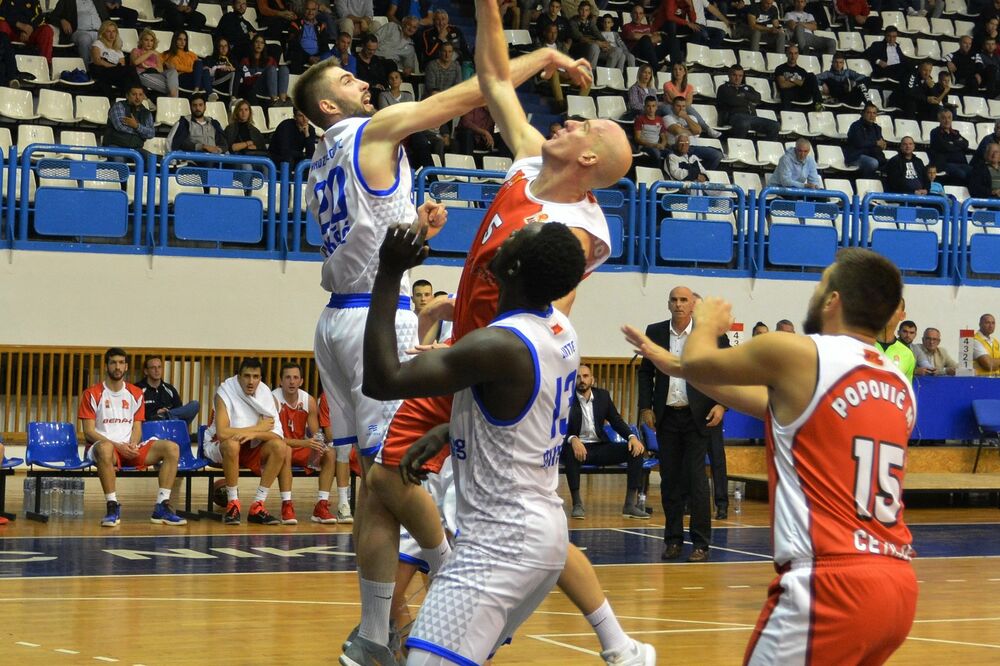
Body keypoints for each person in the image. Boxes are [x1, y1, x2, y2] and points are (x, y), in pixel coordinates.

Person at [293, 27, 597, 665]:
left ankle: (374, 633)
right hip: (379, 314)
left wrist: (415, 225)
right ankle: (450, 568)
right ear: (328, 106)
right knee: (389, 478)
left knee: (373, 487)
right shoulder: (368, 131)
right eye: (348, 81)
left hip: (335, 321)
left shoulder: (321, 155)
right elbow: (466, 96)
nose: (362, 82)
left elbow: (362, 224)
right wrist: (542, 57)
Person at [624, 247, 917, 665]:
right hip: (896, 581)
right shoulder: (896, 380)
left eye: (820, 286)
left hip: (830, 581)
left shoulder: (800, 352)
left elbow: (702, 361)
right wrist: (667, 362)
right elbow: (772, 404)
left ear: (833, 300)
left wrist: (706, 324)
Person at [363, 220, 589, 666]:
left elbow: (382, 378)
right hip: (540, 533)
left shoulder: (497, 345)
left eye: (520, 236)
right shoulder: (559, 329)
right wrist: (451, 430)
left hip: (500, 544)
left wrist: (389, 272)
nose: (508, 235)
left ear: (515, 268)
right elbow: (522, 414)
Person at [636, 286, 730, 563]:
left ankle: (701, 543)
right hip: (666, 417)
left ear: (692, 306)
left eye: (683, 300)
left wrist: (721, 404)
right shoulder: (655, 331)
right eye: (674, 300)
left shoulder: (709, 333)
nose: (678, 305)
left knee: (697, 480)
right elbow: (645, 372)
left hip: (697, 416)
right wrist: (645, 407)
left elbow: (727, 370)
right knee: (670, 482)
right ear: (668, 305)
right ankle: (673, 540)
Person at [78, 347, 186, 527]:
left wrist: (133, 445)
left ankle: (162, 506)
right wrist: (118, 447)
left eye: (121, 363)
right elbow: (89, 432)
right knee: (105, 448)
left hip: (129, 447)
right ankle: (112, 506)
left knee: (171, 448)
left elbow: (137, 426)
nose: (117, 367)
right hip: (104, 449)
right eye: (113, 363)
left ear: (126, 367)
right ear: (107, 366)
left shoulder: (136, 393)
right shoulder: (92, 394)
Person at [202, 357, 291, 525]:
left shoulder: (265, 393)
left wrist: (254, 435)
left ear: (260, 378)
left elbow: (277, 434)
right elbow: (222, 433)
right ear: (238, 376)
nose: (251, 381)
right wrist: (257, 429)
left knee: (280, 447)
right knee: (232, 444)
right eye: (247, 376)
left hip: (251, 445)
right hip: (220, 446)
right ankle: (233, 504)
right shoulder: (225, 391)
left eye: (256, 376)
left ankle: (258, 505)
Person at [562, 364, 648, 519]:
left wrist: (632, 437)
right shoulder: (566, 399)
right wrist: (572, 439)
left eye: (586, 376)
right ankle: (577, 504)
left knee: (635, 451)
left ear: (592, 380)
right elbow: (558, 426)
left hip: (600, 446)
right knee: (570, 453)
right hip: (576, 448)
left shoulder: (602, 396)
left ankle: (629, 505)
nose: (582, 380)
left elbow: (616, 421)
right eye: (579, 377)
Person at [272, 362, 339, 524]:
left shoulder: (308, 400)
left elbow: (316, 433)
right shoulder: (272, 399)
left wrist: (319, 444)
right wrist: (305, 443)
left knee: (330, 453)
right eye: (287, 378)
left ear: (301, 381)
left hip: (301, 447)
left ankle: (321, 506)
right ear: (281, 381)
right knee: (285, 450)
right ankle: (286, 505)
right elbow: (274, 438)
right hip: (278, 449)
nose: (292, 381)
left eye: (295, 378)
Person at [317, 389, 354, 522]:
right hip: (340, 446)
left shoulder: (357, 394)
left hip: (357, 448)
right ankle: (344, 505)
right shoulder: (327, 397)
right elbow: (329, 434)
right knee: (342, 447)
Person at [717, 65, 780, 140]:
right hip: (733, 116)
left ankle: (763, 148)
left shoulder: (747, 87)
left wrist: (743, 95)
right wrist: (748, 99)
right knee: (744, 124)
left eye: (740, 76)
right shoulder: (723, 88)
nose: (737, 78)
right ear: (729, 75)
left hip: (751, 117)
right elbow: (733, 101)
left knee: (775, 125)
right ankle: (739, 147)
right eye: (734, 75)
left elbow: (758, 98)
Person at [136, 355, 200, 427]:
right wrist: (156, 413)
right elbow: (133, 413)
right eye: (153, 367)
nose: (157, 370)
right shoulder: (137, 389)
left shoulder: (170, 389)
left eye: (159, 367)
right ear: (146, 371)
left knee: (195, 404)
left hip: (170, 422)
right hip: (150, 424)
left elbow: (179, 410)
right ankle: (165, 417)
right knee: (169, 418)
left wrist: (167, 413)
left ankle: (167, 416)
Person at [662, 96, 723, 169]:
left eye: (683, 106)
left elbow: (698, 131)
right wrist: (692, 131)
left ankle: (701, 174)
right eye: (678, 106)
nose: (681, 108)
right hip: (677, 147)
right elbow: (678, 131)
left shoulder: (691, 117)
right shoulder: (667, 118)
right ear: (672, 107)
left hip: (693, 147)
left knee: (717, 155)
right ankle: (694, 173)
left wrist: (686, 117)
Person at [89, 20, 140, 97]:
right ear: (103, 33)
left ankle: (127, 101)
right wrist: (114, 66)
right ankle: (142, 94)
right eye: (108, 32)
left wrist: (116, 67)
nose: (112, 34)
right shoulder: (98, 44)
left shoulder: (118, 51)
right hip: (101, 71)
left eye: (114, 31)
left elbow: (122, 66)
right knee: (131, 69)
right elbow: (97, 61)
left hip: (114, 73)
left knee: (127, 80)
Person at [239, 33, 290, 104]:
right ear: (253, 44)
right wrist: (261, 75)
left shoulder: (270, 60)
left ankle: (282, 100)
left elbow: (277, 75)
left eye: (262, 43)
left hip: (272, 87)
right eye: (257, 42)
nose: (259, 45)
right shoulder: (245, 61)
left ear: (264, 46)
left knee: (284, 68)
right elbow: (247, 80)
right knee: (271, 69)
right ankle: (274, 101)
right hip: (256, 87)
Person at [103, 84, 155, 152]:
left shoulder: (146, 113)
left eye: (140, 95)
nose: (137, 97)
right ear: (127, 96)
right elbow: (120, 127)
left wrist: (136, 126)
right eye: (134, 94)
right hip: (116, 145)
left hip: (136, 148)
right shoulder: (119, 106)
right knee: (120, 160)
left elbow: (151, 133)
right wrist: (142, 132)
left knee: (151, 158)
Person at [287, 0, 333, 74]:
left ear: (317, 10)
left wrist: (320, 57)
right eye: (307, 9)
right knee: (296, 56)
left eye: (313, 9)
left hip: (317, 56)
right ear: (303, 9)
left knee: (329, 58)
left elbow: (324, 45)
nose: (310, 12)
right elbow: (293, 44)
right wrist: (308, 57)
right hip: (301, 55)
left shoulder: (321, 26)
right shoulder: (295, 24)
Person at [876, 298, 916, 381]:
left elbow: (905, 390)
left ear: (902, 316)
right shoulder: (860, 345)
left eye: (893, 307)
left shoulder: (907, 354)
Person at [162, 30, 213, 95]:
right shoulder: (168, 54)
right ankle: (205, 91)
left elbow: (177, 67)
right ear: (175, 40)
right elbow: (170, 68)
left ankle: (204, 92)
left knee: (204, 69)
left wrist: (179, 67)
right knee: (200, 65)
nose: (182, 42)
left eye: (185, 40)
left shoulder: (192, 54)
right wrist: (194, 69)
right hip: (180, 78)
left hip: (194, 77)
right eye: (180, 39)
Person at [774, 44, 823, 110]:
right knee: (785, 93)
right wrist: (799, 82)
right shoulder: (780, 68)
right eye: (791, 53)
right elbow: (783, 85)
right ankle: (786, 115)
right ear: (786, 54)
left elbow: (805, 84)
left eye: (795, 53)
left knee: (811, 76)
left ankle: (818, 104)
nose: (793, 56)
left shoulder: (802, 71)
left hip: (802, 94)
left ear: (798, 55)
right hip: (788, 94)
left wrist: (791, 79)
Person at [929, 109, 971, 184]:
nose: (947, 120)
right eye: (944, 118)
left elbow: (965, 144)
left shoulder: (955, 132)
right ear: (939, 119)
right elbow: (945, 147)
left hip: (962, 163)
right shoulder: (935, 132)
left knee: (975, 173)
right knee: (962, 175)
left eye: (949, 118)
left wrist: (952, 144)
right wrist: (957, 144)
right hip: (946, 164)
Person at [844, 103, 887, 178]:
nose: (872, 115)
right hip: (856, 156)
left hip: (872, 154)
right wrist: (876, 143)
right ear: (863, 114)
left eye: (874, 113)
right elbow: (859, 143)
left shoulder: (877, 128)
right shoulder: (856, 126)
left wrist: (883, 144)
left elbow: (880, 142)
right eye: (869, 112)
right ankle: (864, 181)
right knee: (873, 163)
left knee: (891, 164)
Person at [621, 2, 670, 67]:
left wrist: (646, 37)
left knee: (674, 41)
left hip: (653, 52)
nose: (638, 16)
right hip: (637, 52)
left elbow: (660, 38)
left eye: (640, 13)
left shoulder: (649, 27)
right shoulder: (626, 26)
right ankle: (656, 69)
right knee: (645, 39)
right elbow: (634, 36)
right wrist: (649, 36)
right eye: (635, 13)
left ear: (643, 15)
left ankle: (676, 67)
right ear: (631, 14)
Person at [132, 29, 178, 97]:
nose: (149, 43)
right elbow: (135, 62)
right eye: (146, 40)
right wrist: (150, 52)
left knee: (173, 72)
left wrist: (148, 66)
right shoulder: (135, 51)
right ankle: (174, 97)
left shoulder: (155, 54)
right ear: (141, 41)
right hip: (142, 75)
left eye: (151, 41)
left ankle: (173, 95)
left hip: (156, 75)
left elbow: (160, 70)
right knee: (172, 87)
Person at [633, 96, 669, 162]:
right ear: (644, 107)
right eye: (648, 106)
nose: (651, 109)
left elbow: (664, 138)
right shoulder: (640, 119)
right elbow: (637, 138)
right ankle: (656, 171)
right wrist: (653, 145)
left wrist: (662, 145)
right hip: (645, 146)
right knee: (657, 154)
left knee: (671, 155)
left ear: (656, 107)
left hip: (657, 146)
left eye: (653, 106)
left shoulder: (660, 119)